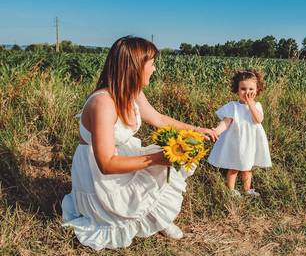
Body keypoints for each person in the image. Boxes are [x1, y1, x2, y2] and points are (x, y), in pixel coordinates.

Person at [61, 36, 217, 251]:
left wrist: (197, 130)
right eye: (151, 64)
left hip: (122, 155)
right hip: (99, 173)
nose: (154, 69)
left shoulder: (131, 93)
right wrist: (158, 159)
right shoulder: (102, 103)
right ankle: (115, 213)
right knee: (159, 159)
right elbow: (106, 164)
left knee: (162, 161)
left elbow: (159, 119)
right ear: (134, 67)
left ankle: (157, 219)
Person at [207, 69, 271, 197]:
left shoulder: (257, 105)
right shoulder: (233, 106)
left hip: (251, 142)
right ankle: (230, 190)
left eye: (251, 89)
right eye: (243, 89)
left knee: (248, 167)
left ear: (257, 90)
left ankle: (247, 190)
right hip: (236, 142)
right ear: (237, 90)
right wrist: (216, 131)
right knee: (234, 167)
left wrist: (250, 103)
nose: (247, 92)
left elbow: (258, 119)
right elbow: (225, 122)